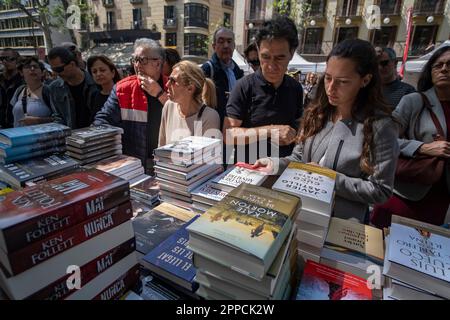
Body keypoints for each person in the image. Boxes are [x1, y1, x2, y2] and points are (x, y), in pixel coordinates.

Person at [252, 39, 400, 223]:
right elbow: (299, 159)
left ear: (365, 80)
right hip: (298, 212)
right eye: (328, 78)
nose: (330, 88)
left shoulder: (381, 126)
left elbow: (381, 190)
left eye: (343, 82)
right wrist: (275, 164)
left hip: (341, 223)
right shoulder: (317, 113)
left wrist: (329, 178)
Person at [371, 46, 450, 228]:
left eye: (449, 64)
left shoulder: (405, 90)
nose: (444, 69)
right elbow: (383, 140)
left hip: (440, 198)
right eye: (438, 65)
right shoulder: (414, 100)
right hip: (406, 191)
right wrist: (422, 147)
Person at [223, 16, 304, 165]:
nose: (271, 66)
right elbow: (229, 134)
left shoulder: (296, 88)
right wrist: (271, 131)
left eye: (280, 58)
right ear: (258, 50)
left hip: (284, 173)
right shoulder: (243, 86)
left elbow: (299, 128)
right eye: (265, 57)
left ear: (292, 53)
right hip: (250, 172)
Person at [93, 38, 169, 173]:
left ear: (158, 63)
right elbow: (103, 120)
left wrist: (160, 94)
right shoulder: (122, 88)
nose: (137, 65)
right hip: (135, 165)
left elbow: (187, 116)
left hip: (170, 163)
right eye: (135, 59)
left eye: (143, 60)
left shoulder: (173, 86)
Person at [158, 60, 220, 146]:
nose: (167, 84)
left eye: (173, 80)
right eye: (169, 79)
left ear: (190, 88)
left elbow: (208, 157)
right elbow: (161, 149)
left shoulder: (209, 117)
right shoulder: (169, 106)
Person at [47, 46, 99, 129]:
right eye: (53, 69)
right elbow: (58, 117)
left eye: (59, 69)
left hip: (97, 135)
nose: (56, 73)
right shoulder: (54, 88)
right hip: (71, 138)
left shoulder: (96, 82)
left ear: (72, 64)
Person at [201, 27, 244, 128]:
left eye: (229, 41)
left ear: (234, 46)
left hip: (234, 129)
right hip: (213, 128)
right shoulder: (207, 70)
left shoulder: (238, 72)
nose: (226, 45)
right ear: (214, 46)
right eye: (221, 41)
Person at [10, 56, 52, 127]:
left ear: (42, 73)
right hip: (19, 136)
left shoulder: (48, 91)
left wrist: (39, 121)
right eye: (28, 67)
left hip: (42, 137)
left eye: (35, 67)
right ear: (21, 72)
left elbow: (60, 118)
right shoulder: (19, 90)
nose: (32, 69)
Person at [0, 48, 23, 128]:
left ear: (17, 60)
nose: (4, 62)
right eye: (1, 59)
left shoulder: (24, 80)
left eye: (9, 58)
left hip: (18, 127)